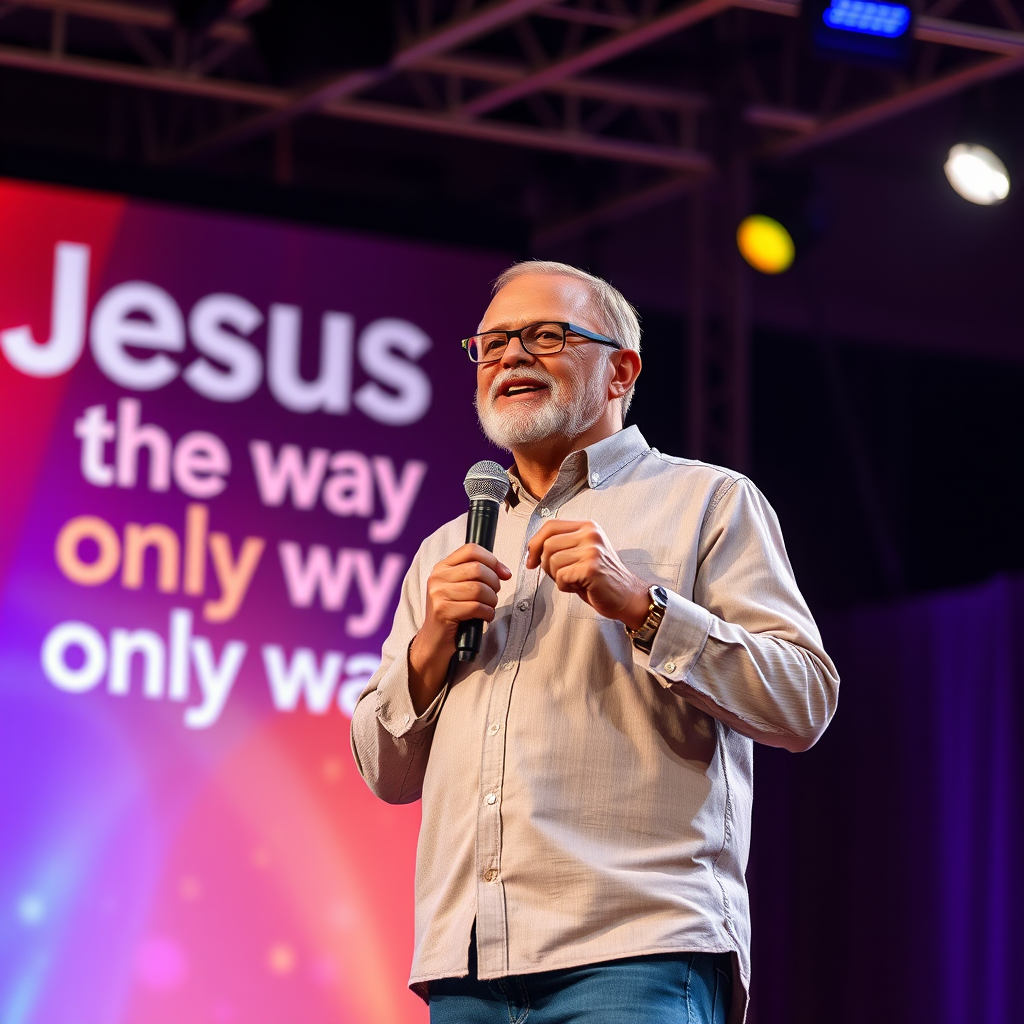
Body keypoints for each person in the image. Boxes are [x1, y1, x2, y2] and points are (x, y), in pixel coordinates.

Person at [350, 261, 839, 1024]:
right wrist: (429, 650)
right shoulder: (446, 549)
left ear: (620, 371)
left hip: (633, 948)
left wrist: (645, 609)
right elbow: (384, 771)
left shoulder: (707, 502)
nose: (511, 356)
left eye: (545, 336)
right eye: (492, 343)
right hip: (465, 964)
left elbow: (802, 701)